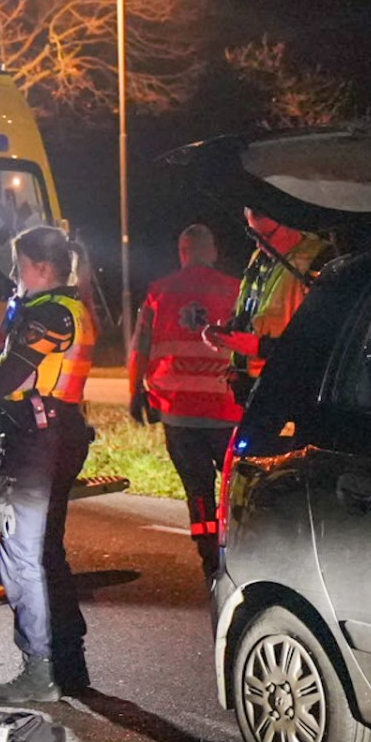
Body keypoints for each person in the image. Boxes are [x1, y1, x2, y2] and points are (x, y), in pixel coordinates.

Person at [0, 225, 98, 703]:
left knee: (22, 559)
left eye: (18, 266)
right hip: (53, 437)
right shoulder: (60, 309)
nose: (14, 275)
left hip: (37, 443)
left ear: (39, 267)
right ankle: (66, 662)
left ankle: (39, 670)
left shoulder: (52, 315)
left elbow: (1, 380)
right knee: (46, 552)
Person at [128, 224, 242, 577]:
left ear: (182, 252)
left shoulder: (159, 293)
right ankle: (240, 549)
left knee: (198, 490)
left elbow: (140, 348)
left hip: (178, 412)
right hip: (227, 410)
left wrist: (135, 392)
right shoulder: (235, 290)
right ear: (213, 252)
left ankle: (210, 560)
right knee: (236, 488)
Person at [201, 208, 332, 397]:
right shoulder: (259, 259)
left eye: (266, 236)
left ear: (289, 222)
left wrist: (259, 347)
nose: (260, 245)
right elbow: (253, 313)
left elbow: (322, 344)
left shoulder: (321, 260)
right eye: (254, 236)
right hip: (252, 388)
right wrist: (227, 332)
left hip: (289, 390)